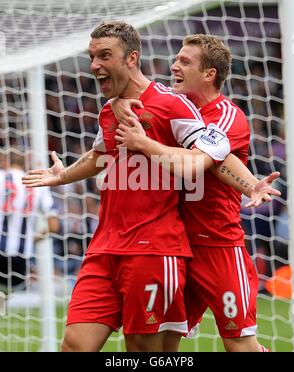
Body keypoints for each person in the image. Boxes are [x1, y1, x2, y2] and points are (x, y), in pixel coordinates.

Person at [22, 22, 278, 352]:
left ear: (131, 58)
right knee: (75, 344)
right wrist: (63, 176)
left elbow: (212, 155)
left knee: (174, 348)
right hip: (110, 245)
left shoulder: (181, 107)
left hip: (175, 246)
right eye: (91, 57)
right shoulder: (111, 109)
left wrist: (250, 185)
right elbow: (100, 154)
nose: (95, 65)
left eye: (104, 56)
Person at [113, 34, 279, 352]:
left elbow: (213, 161)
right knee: (158, 344)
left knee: (239, 345)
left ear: (209, 74)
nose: (174, 66)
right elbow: (136, 98)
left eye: (184, 61)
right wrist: (119, 101)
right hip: (174, 248)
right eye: (176, 59)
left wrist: (250, 185)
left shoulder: (226, 117)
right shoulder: (172, 109)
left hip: (218, 248)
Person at [0, 149, 59, 294]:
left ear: (5, 161)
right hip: (21, 260)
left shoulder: (2, 177)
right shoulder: (37, 184)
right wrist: (30, 240)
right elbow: (54, 226)